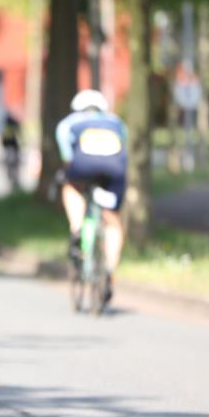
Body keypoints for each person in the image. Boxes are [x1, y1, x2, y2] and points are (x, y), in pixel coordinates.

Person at [56, 89, 128, 303]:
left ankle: (77, 228)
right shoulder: (116, 122)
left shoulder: (70, 122)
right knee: (113, 221)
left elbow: (66, 152)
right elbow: (124, 144)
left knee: (71, 187)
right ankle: (109, 271)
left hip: (83, 166)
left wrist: (68, 166)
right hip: (114, 170)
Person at [1, 112, 21, 192]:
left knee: (11, 166)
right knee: (12, 166)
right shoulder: (11, 127)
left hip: (10, 149)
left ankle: (13, 180)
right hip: (11, 149)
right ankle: (13, 181)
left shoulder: (7, 127)